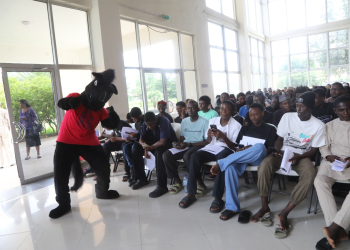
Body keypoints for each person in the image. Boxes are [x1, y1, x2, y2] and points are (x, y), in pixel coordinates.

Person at [252, 92, 325, 238]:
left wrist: (298, 157)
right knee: (264, 165)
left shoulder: (319, 125)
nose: (298, 109)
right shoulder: (287, 117)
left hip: (302, 156)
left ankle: (284, 212)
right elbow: (279, 139)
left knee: (310, 173)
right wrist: (278, 151)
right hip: (283, 152)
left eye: (302, 107)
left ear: (310, 107)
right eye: (297, 106)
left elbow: (313, 150)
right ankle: (265, 207)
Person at [209, 103, 277, 219]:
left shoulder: (270, 129)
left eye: (255, 115)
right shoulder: (245, 128)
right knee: (230, 168)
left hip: (258, 157)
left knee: (259, 147)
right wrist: (242, 149)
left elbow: (270, 149)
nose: (253, 117)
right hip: (243, 157)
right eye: (251, 115)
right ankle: (232, 207)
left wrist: (252, 148)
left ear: (262, 113)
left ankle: (222, 162)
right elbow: (237, 146)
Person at [178, 101, 242, 208]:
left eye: (227, 109)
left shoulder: (237, 125)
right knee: (194, 156)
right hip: (212, 147)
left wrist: (223, 137)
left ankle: (218, 198)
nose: (224, 111)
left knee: (221, 160)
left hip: (226, 149)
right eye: (222, 109)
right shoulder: (213, 120)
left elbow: (234, 147)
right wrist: (209, 135)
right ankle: (191, 193)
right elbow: (208, 141)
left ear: (232, 111)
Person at [314, 95, 350, 249]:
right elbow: (323, 146)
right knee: (320, 181)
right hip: (333, 161)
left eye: (348, 109)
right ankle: (337, 229)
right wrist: (328, 156)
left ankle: (334, 229)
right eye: (341, 110)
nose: (346, 112)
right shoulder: (329, 125)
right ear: (335, 111)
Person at [163, 101, 209, 194]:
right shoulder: (184, 121)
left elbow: (206, 142)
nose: (190, 110)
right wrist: (178, 143)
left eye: (193, 108)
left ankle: (200, 183)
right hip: (186, 145)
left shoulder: (204, 122)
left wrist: (189, 144)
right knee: (166, 154)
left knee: (187, 156)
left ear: (198, 109)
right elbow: (182, 138)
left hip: (197, 145)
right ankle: (177, 181)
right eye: (188, 108)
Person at [140, 112, 178, 198]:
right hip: (154, 144)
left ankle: (162, 186)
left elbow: (163, 142)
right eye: (147, 125)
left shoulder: (163, 120)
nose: (149, 127)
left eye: (151, 124)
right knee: (135, 148)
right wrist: (144, 146)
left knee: (159, 151)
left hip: (169, 144)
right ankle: (140, 179)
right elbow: (141, 139)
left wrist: (150, 148)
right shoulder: (146, 122)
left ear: (156, 120)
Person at [122, 107, 146, 188]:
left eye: (135, 118)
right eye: (133, 119)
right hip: (139, 142)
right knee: (126, 147)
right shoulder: (137, 123)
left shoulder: (146, 121)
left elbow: (147, 136)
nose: (134, 120)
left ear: (140, 115)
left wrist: (137, 135)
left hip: (147, 143)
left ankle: (142, 178)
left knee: (134, 148)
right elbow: (138, 136)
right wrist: (131, 137)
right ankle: (134, 174)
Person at [0, 102, 15, 168]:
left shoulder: (3, 111)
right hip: (4, 129)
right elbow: (9, 119)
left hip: (4, 129)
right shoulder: (3, 111)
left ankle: (1, 164)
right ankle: (10, 162)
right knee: (7, 146)